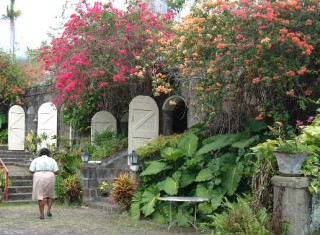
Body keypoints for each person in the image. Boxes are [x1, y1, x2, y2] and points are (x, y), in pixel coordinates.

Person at [29, 148, 59, 220]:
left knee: (40, 195)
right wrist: (52, 172)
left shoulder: (36, 160)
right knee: (50, 194)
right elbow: (57, 171)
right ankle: (48, 210)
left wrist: (36, 172)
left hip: (38, 175)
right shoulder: (52, 160)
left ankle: (42, 214)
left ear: (40, 153)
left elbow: (31, 170)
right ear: (48, 153)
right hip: (50, 175)